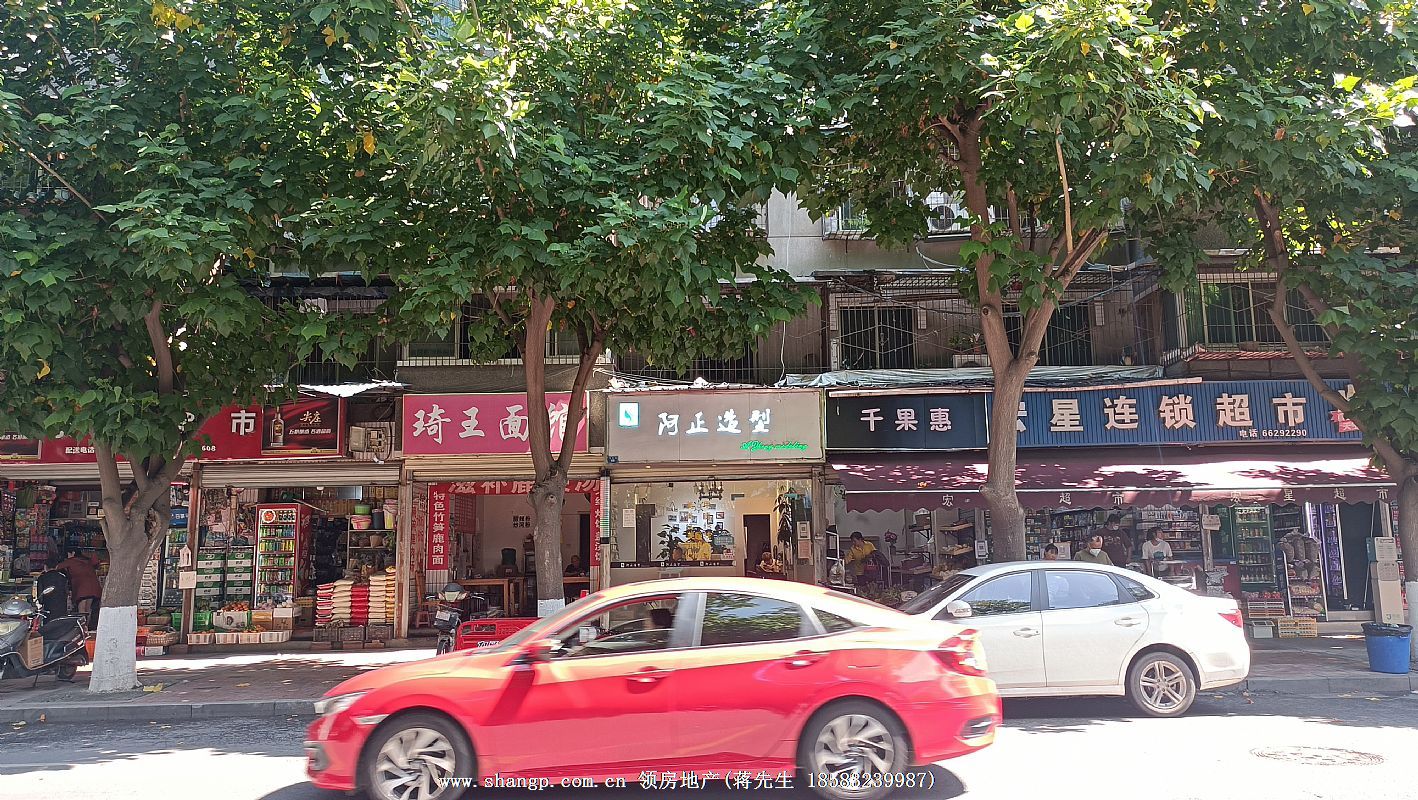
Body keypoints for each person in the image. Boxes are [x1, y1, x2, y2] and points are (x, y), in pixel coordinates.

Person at [57, 548, 102, 629]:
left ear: (73, 553)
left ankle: (82, 629)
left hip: (82, 588)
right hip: (93, 587)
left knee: (82, 609)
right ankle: (86, 627)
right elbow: (96, 565)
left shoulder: (71, 561)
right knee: (88, 609)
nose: (67, 556)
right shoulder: (86, 561)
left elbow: (57, 567)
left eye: (68, 554)